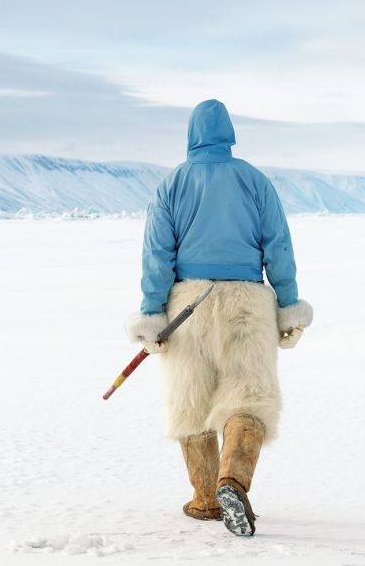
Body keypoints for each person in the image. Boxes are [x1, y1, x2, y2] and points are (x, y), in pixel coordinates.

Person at [126, 98, 313, 537]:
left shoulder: (172, 184)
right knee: (248, 397)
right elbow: (279, 249)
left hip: (187, 303)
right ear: (230, 134)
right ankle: (234, 480)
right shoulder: (254, 180)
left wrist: (153, 313)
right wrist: (287, 306)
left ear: (191, 135)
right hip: (248, 302)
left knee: (191, 402)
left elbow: (157, 255)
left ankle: (207, 499)